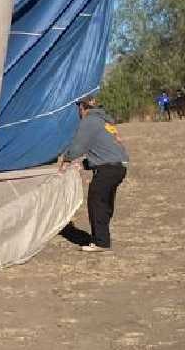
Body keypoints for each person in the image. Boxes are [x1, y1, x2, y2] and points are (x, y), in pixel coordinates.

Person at [58, 95, 129, 252]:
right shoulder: (104, 121)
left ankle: (101, 242)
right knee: (105, 203)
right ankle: (103, 238)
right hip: (119, 167)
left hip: (108, 169)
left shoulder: (89, 121)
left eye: (79, 108)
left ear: (82, 108)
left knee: (96, 202)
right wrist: (84, 164)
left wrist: (66, 160)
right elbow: (104, 149)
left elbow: (79, 145)